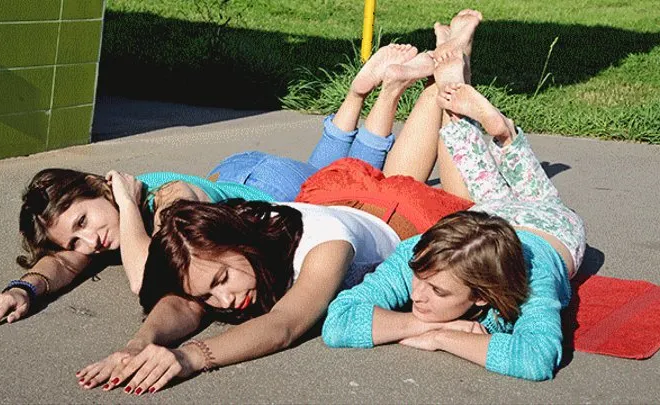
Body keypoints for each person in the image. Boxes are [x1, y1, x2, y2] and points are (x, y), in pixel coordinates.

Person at [75, 17, 484, 393]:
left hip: (400, 216)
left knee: (448, 133)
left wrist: (189, 357)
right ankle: (431, 68)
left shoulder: (325, 248)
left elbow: (285, 325)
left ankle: (455, 63)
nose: (222, 302)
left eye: (220, 282)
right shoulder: (226, 253)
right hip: (333, 197)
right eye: (211, 294)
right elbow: (186, 302)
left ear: (236, 242)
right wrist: (138, 344)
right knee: (406, 162)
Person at [0, 43, 421, 328]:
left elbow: (146, 279)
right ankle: (361, 92)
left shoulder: (165, 197)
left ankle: (385, 92)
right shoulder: (104, 226)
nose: (91, 241)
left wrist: (128, 207)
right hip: (235, 174)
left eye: (84, 220)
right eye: (76, 237)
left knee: (357, 181)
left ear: (99, 183)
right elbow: (63, 262)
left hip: (270, 192)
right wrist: (22, 290)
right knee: (330, 172)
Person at [321, 13, 586, 381]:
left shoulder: (531, 278)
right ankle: (495, 128)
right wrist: (420, 325)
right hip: (487, 218)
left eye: (438, 291)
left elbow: (534, 359)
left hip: (552, 229)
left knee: (528, 193)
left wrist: (442, 337)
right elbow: (339, 321)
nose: (418, 296)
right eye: (420, 280)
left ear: (482, 296)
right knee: (484, 186)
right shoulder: (424, 255)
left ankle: (500, 132)